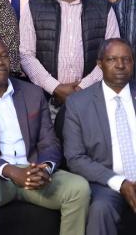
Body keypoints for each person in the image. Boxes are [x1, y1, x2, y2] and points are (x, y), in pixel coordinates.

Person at [0, 36, 90, 235]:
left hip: (33, 171)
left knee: (79, 188)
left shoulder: (32, 92)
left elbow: (48, 141)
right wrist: (11, 171)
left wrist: (45, 169)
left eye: (4, 55)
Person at [20, 0, 120, 121]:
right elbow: (25, 55)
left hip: (92, 99)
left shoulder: (103, 8)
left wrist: (82, 89)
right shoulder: (34, 7)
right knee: (50, 147)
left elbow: (112, 56)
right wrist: (56, 88)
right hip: (45, 100)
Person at [63, 38, 136, 234]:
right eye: (112, 59)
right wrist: (120, 183)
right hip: (106, 182)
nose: (120, 65)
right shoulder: (78, 104)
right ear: (100, 64)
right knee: (100, 209)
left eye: (126, 59)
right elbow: (75, 158)